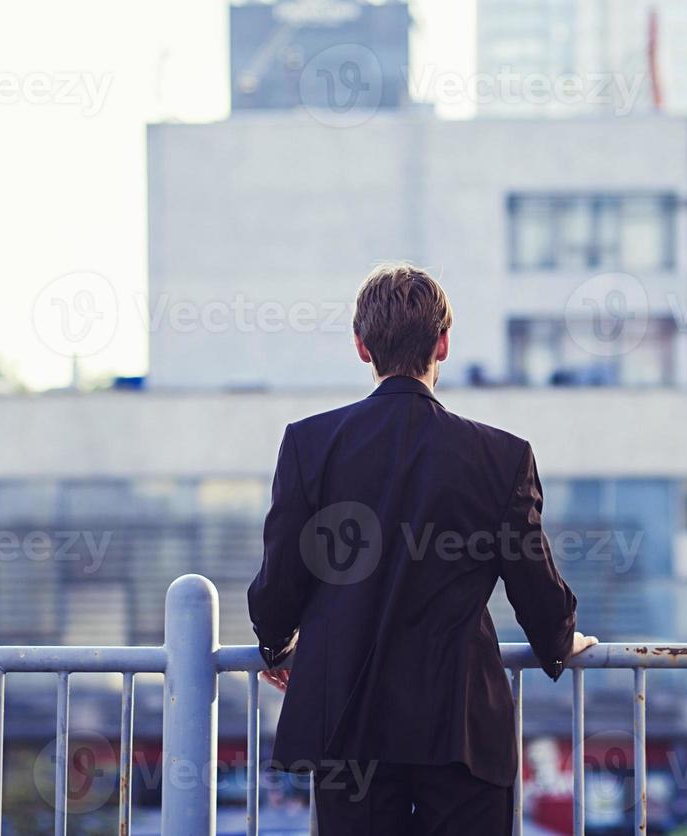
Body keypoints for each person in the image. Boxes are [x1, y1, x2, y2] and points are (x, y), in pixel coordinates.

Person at [248, 263, 597, 835]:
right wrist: (561, 641)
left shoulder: (309, 445)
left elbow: (280, 578)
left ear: (362, 347)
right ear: (443, 342)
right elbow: (533, 583)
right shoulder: (501, 456)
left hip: (347, 725)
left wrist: (278, 644)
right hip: (458, 725)